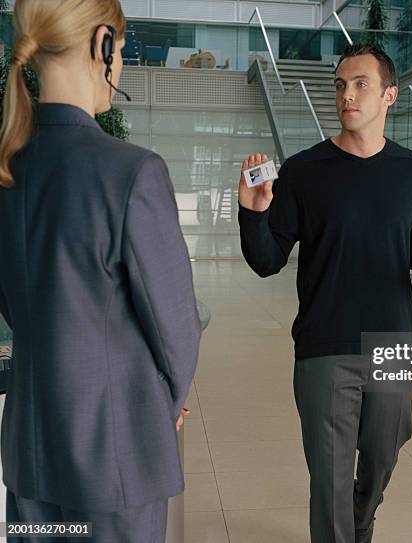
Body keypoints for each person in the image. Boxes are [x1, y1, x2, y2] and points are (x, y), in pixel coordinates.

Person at [238, 43, 412, 543]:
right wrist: (255, 212)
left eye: (361, 84)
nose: (347, 94)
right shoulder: (303, 171)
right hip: (324, 343)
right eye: (340, 85)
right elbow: (266, 260)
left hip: (391, 341)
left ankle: (360, 525)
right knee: (330, 478)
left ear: (390, 95)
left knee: (384, 453)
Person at [0, 1, 202, 541]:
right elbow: (176, 328)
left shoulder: (8, 171)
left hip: (30, 454)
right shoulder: (132, 172)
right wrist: (167, 402)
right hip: (117, 462)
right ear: (104, 44)